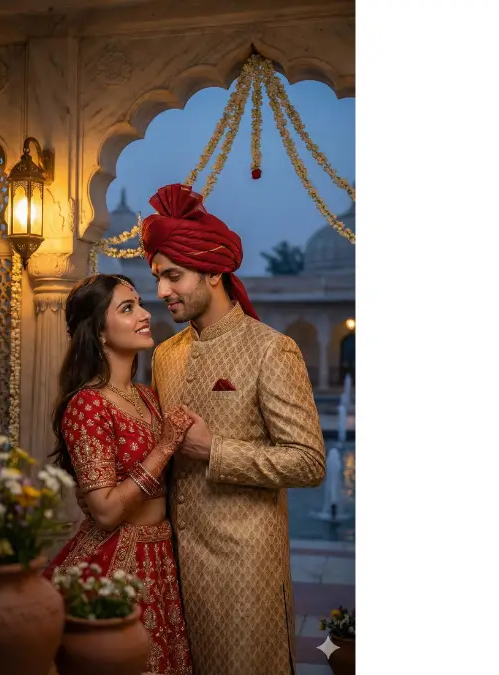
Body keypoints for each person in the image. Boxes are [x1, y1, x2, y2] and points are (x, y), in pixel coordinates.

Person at [126, 183, 327, 675]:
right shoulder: (166, 356)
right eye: (157, 277)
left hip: (246, 571)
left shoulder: (270, 350)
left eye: (173, 276)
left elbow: (309, 461)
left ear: (214, 271)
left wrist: (216, 449)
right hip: (176, 563)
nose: (162, 292)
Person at [43, 273, 195, 675]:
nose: (146, 314)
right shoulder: (88, 404)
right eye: (127, 309)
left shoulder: (149, 396)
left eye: (140, 304)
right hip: (115, 560)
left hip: (161, 555)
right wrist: (164, 447)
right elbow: (107, 512)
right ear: (100, 332)